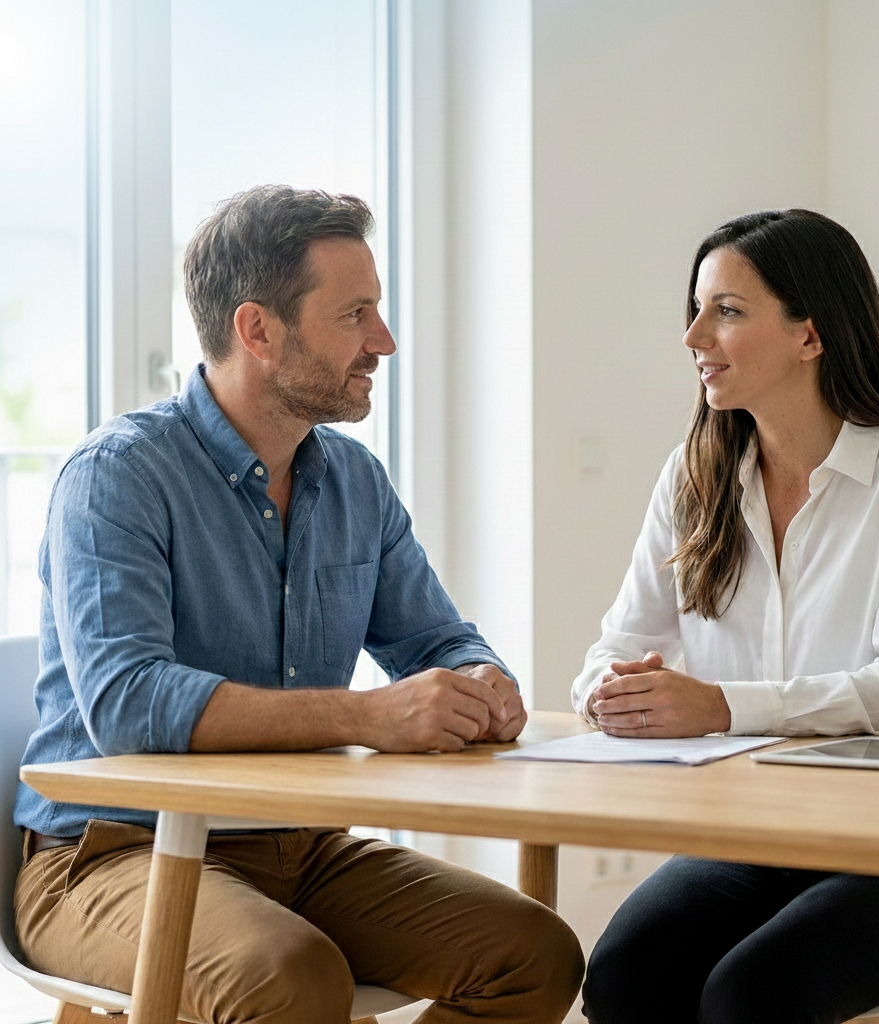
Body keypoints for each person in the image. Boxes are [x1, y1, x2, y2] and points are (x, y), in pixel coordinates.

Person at [14, 185, 583, 1024]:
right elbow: (127, 703)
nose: (383, 341)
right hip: (108, 853)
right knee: (288, 977)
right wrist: (367, 716)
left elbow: (437, 638)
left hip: (299, 846)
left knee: (533, 955)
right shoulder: (118, 476)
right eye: (356, 314)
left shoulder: (354, 481)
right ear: (259, 332)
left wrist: (477, 678)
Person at [570, 209, 879, 1024]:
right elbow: (613, 649)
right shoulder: (694, 473)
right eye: (695, 310)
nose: (695, 335)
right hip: (754, 842)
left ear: (810, 334)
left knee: (751, 997)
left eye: (726, 311)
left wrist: (720, 706)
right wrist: (612, 692)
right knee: (626, 975)